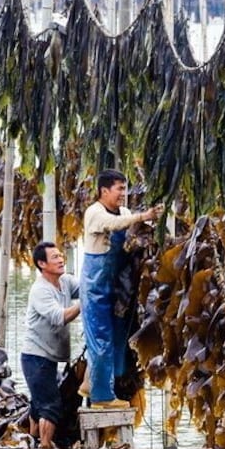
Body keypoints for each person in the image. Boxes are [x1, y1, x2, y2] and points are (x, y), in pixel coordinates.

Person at [81, 169, 163, 409]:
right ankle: (101, 397)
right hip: (95, 287)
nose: (123, 194)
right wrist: (142, 216)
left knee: (118, 338)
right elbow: (114, 224)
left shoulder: (126, 212)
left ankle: (96, 384)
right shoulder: (94, 213)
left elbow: (134, 226)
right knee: (101, 339)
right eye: (119, 189)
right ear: (104, 190)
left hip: (117, 287)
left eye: (125, 189)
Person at [22, 241, 80, 449]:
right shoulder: (40, 290)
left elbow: (86, 287)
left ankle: (33, 442)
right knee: (50, 405)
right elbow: (59, 317)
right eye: (54, 257)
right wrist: (84, 303)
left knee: (38, 403)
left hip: (49, 356)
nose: (61, 259)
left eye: (60, 255)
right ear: (42, 264)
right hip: (36, 356)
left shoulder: (65, 282)